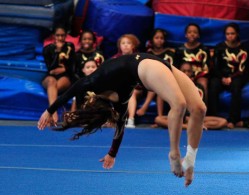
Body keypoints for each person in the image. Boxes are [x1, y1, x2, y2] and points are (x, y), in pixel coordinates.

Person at [37, 53, 206, 187]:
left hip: (155, 63)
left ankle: (190, 160)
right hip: (146, 66)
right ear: (93, 102)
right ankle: (174, 153)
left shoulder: (97, 83)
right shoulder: (118, 101)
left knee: (199, 109)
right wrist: (49, 111)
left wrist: (50, 110)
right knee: (179, 104)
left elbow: (71, 92)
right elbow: (119, 127)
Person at [155, 62, 227, 130]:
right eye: (184, 71)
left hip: (195, 116)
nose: (186, 73)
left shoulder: (199, 87)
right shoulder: (174, 86)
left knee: (223, 121)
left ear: (192, 73)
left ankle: (196, 125)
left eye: (188, 71)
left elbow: (200, 106)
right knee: (158, 119)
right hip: (181, 117)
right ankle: (187, 126)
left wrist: (193, 117)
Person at [208, 23, 249, 129]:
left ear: (237, 34)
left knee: (236, 88)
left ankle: (233, 120)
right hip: (221, 75)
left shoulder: (244, 48)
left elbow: (245, 68)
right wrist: (222, 78)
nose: (230, 36)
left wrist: (232, 78)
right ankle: (213, 117)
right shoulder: (220, 47)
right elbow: (215, 67)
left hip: (237, 76)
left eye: (232, 33)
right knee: (213, 85)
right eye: (227, 34)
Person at [42, 25, 76, 122]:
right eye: (58, 35)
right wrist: (57, 52)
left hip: (65, 76)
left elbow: (73, 66)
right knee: (51, 82)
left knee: (55, 87)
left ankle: (51, 113)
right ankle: (54, 112)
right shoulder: (47, 49)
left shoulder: (70, 46)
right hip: (50, 76)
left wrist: (64, 70)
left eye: (62, 35)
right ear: (54, 36)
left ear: (66, 36)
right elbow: (50, 68)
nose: (60, 38)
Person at [174, 23, 211, 103]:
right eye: (189, 32)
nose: (192, 34)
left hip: (200, 75)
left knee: (203, 83)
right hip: (183, 75)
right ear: (186, 35)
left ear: (198, 35)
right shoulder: (180, 49)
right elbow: (176, 67)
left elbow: (206, 68)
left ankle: (202, 109)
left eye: (195, 32)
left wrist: (194, 77)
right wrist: (186, 76)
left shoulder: (204, 49)